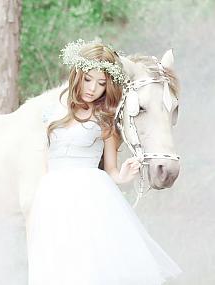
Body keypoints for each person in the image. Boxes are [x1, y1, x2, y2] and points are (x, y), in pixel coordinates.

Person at [26, 39, 182, 285]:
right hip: (53, 196)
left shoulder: (105, 119)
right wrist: (39, 200)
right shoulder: (52, 113)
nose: (92, 89)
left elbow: (111, 170)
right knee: (56, 260)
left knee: (90, 261)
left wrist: (124, 175)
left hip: (91, 195)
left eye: (101, 84)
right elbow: (43, 164)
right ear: (77, 75)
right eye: (88, 79)